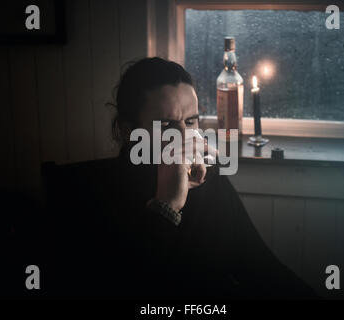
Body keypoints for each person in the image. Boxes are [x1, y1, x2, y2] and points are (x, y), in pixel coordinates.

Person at [40, 57, 316, 299]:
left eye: (192, 121)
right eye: (168, 125)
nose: (185, 137)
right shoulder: (87, 194)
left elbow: (261, 268)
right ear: (128, 130)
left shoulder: (209, 182)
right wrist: (167, 205)